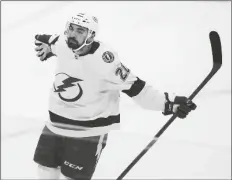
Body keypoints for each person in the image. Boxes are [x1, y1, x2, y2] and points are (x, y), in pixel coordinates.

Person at [33, 12, 197, 180]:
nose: (73, 34)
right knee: (45, 169)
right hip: (54, 126)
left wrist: (168, 103)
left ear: (91, 36)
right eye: (71, 28)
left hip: (87, 134)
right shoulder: (62, 43)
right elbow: (50, 41)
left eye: (80, 31)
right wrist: (47, 48)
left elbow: (137, 89)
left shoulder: (106, 62)